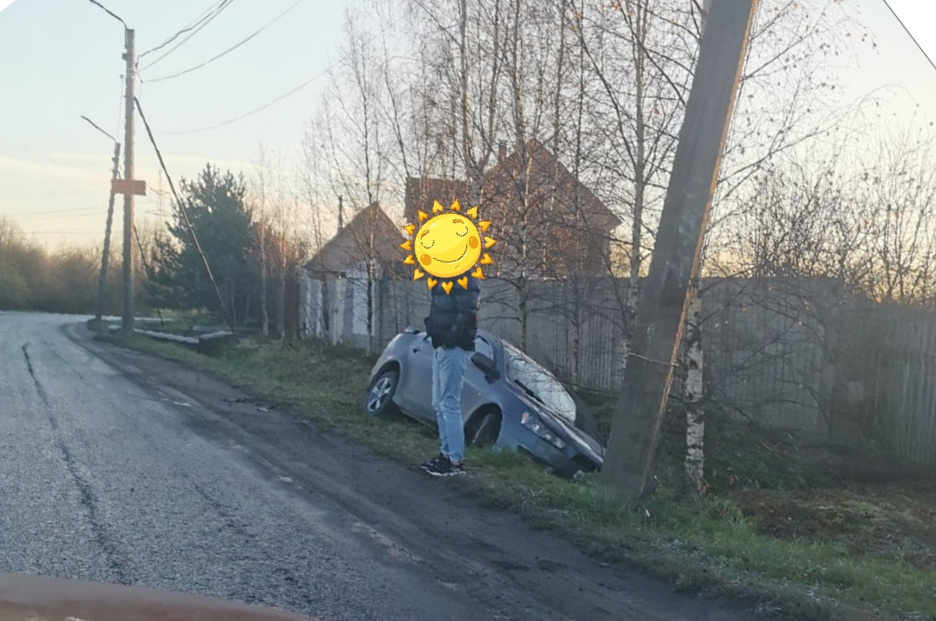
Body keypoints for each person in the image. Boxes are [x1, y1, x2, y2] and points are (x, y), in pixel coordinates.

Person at [420, 273, 481, 476]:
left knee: (449, 403)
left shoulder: (467, 275)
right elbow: (438, 308)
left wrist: (449, 339)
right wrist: (433, 330)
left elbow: (467, 312)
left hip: (455, 347)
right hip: (442, 346)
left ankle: (455, 462)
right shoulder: (443, 274)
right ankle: (445, 455)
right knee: (439, 403)